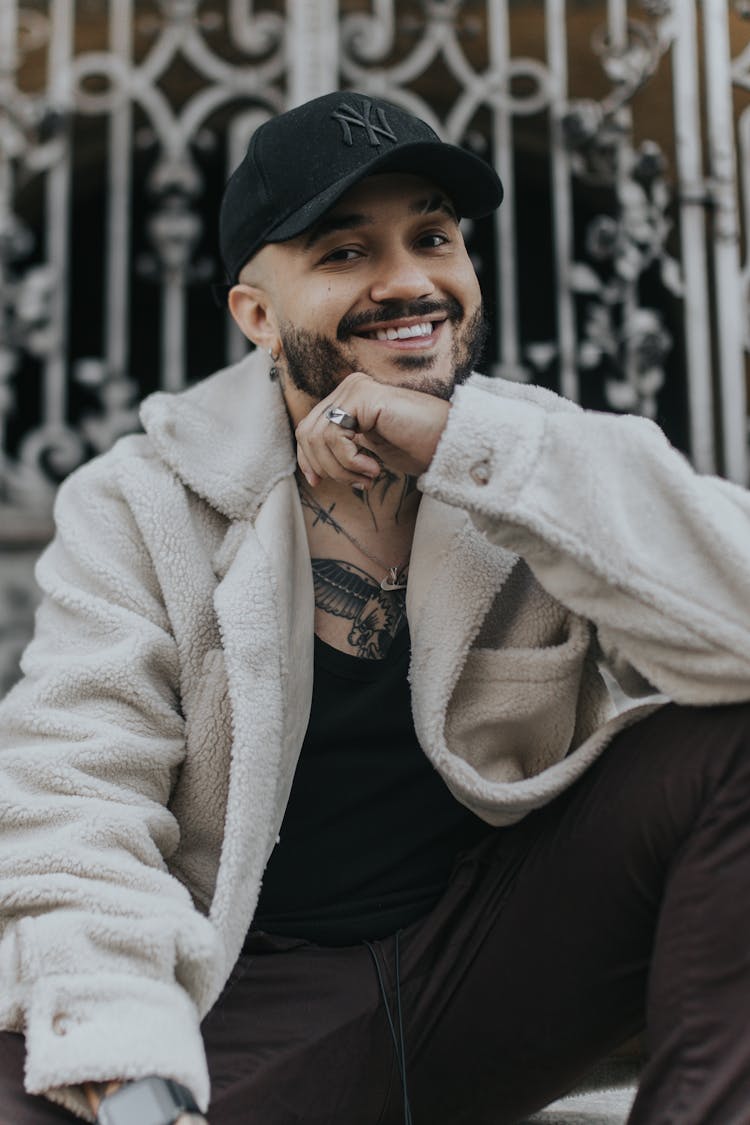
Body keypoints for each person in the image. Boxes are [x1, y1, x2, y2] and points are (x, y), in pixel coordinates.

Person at [1, 89, 750, 1125]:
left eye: (433, 237)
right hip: (262, 989)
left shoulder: (531, 462)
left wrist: (457, 447)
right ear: (257, 316)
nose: (410, 282)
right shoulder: (142, 504)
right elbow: (72, 803)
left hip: (500, 963)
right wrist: (133, 1077)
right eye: (345, 252)